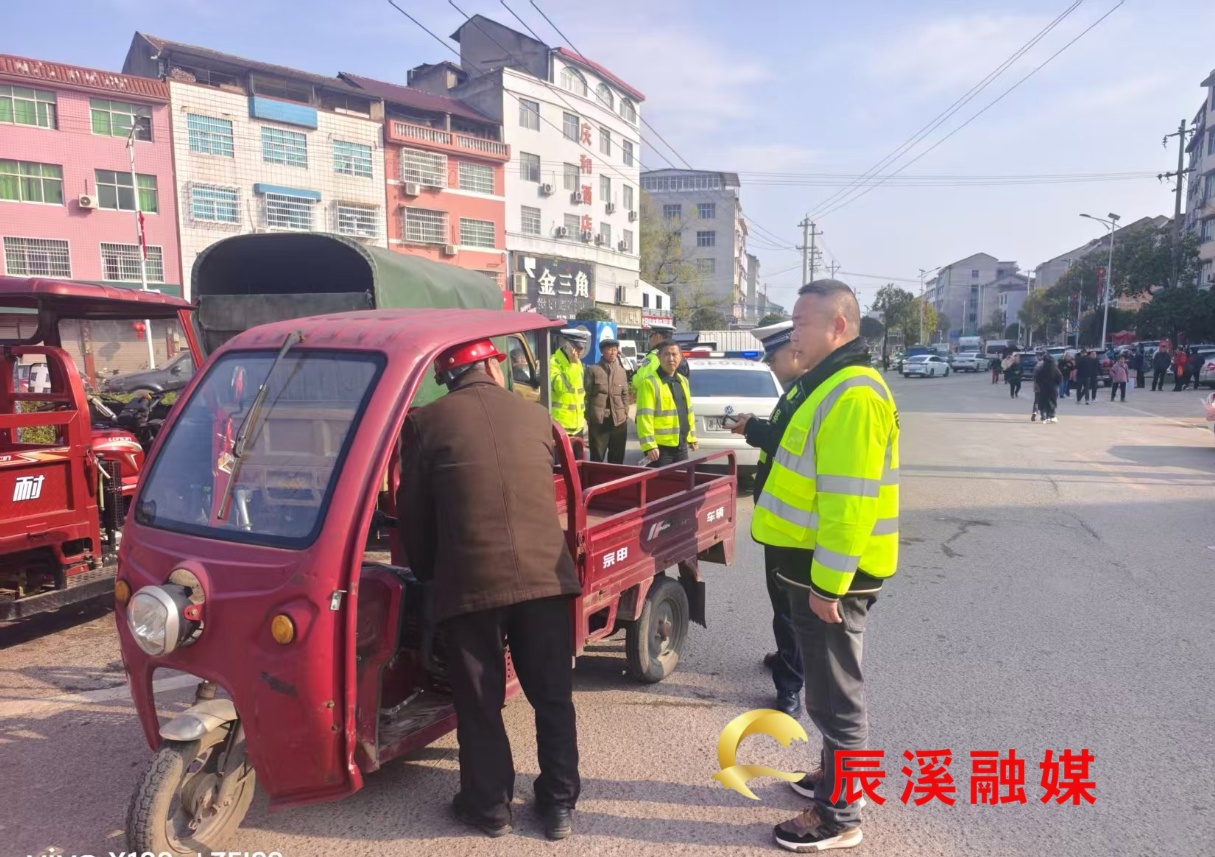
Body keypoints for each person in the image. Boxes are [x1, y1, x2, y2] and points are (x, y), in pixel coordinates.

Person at [399, 339, 583, 841]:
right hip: (546, 578)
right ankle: (559, 806)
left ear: (448, 379)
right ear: (493, 369)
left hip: (471, 581)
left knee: (481, 701)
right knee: (552, 696)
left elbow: (414, 514)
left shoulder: (425, 422)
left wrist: (427, 573)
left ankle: (489, 808)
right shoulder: (537, 416)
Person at [751, 280, 899, 853]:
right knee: (826, 691)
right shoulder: (829, 383)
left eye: (801, 324)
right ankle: (833, 777)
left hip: (831, 577)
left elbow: (849, 504)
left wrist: (828, 586)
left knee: (837, 699)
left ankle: (839, 815)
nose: (793, 335)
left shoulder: (853, 394)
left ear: (838, 326)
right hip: (811, 569)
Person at [728, 320, 807, 716]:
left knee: (789, 607)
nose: (771, 365)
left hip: (794, 524)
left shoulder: (807, 394)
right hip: (779, 519)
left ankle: (790, 685)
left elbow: (792, 447)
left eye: (773, 357)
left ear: (794, 353)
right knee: (783, 603)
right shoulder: (794, 392)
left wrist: (753, 428)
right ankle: (788, 656)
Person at [635, 340, 697, 466]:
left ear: (681, 357)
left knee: (681, 478)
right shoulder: (649, 383)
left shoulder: (683, 381)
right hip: (659, 449)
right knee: (662, 479)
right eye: (666, 354)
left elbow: (688, 412)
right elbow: (644, 417)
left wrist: (691, 437)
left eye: (674, 354)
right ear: (659, 357)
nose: (671, 358)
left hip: (681, 445)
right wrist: (649, 445)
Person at [584, 337, 629, 464]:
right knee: (597, 459)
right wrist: (589, 416)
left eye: (615, 349)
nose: (613, 352)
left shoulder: (621, 371)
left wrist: (625, 412)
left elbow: (625, 395)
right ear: (602, 351)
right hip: (599, 421)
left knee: (617, 459)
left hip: (618, 422)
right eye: (609, 349)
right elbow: (586, 395)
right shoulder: (593, 370)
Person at [551, 328, 589, 438]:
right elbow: (560, 387)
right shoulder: (553, 362)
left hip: (578, 426)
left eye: (582, 348)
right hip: (560, 426)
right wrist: (573, 366)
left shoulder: (577, 363)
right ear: (567, 345)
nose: (580, 351)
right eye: (577, 347)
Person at [631, 321, 687, 390]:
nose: (651, 339)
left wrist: (634, 375)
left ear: (657, 336)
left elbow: (638, 381)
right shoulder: (679, 356)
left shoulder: (655, 356)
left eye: (651, 335)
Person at [1034, 355, 1063, 423]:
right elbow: (1060, 377)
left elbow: (1037, 378)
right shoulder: (1055, 369)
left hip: (1043, 388)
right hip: (1053, 388)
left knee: (1043, 401)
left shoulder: (1041, 369)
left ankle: (1043, 415)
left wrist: (1040, 385)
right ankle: (1051, 415)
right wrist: (1057, 384)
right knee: (1052, 401)